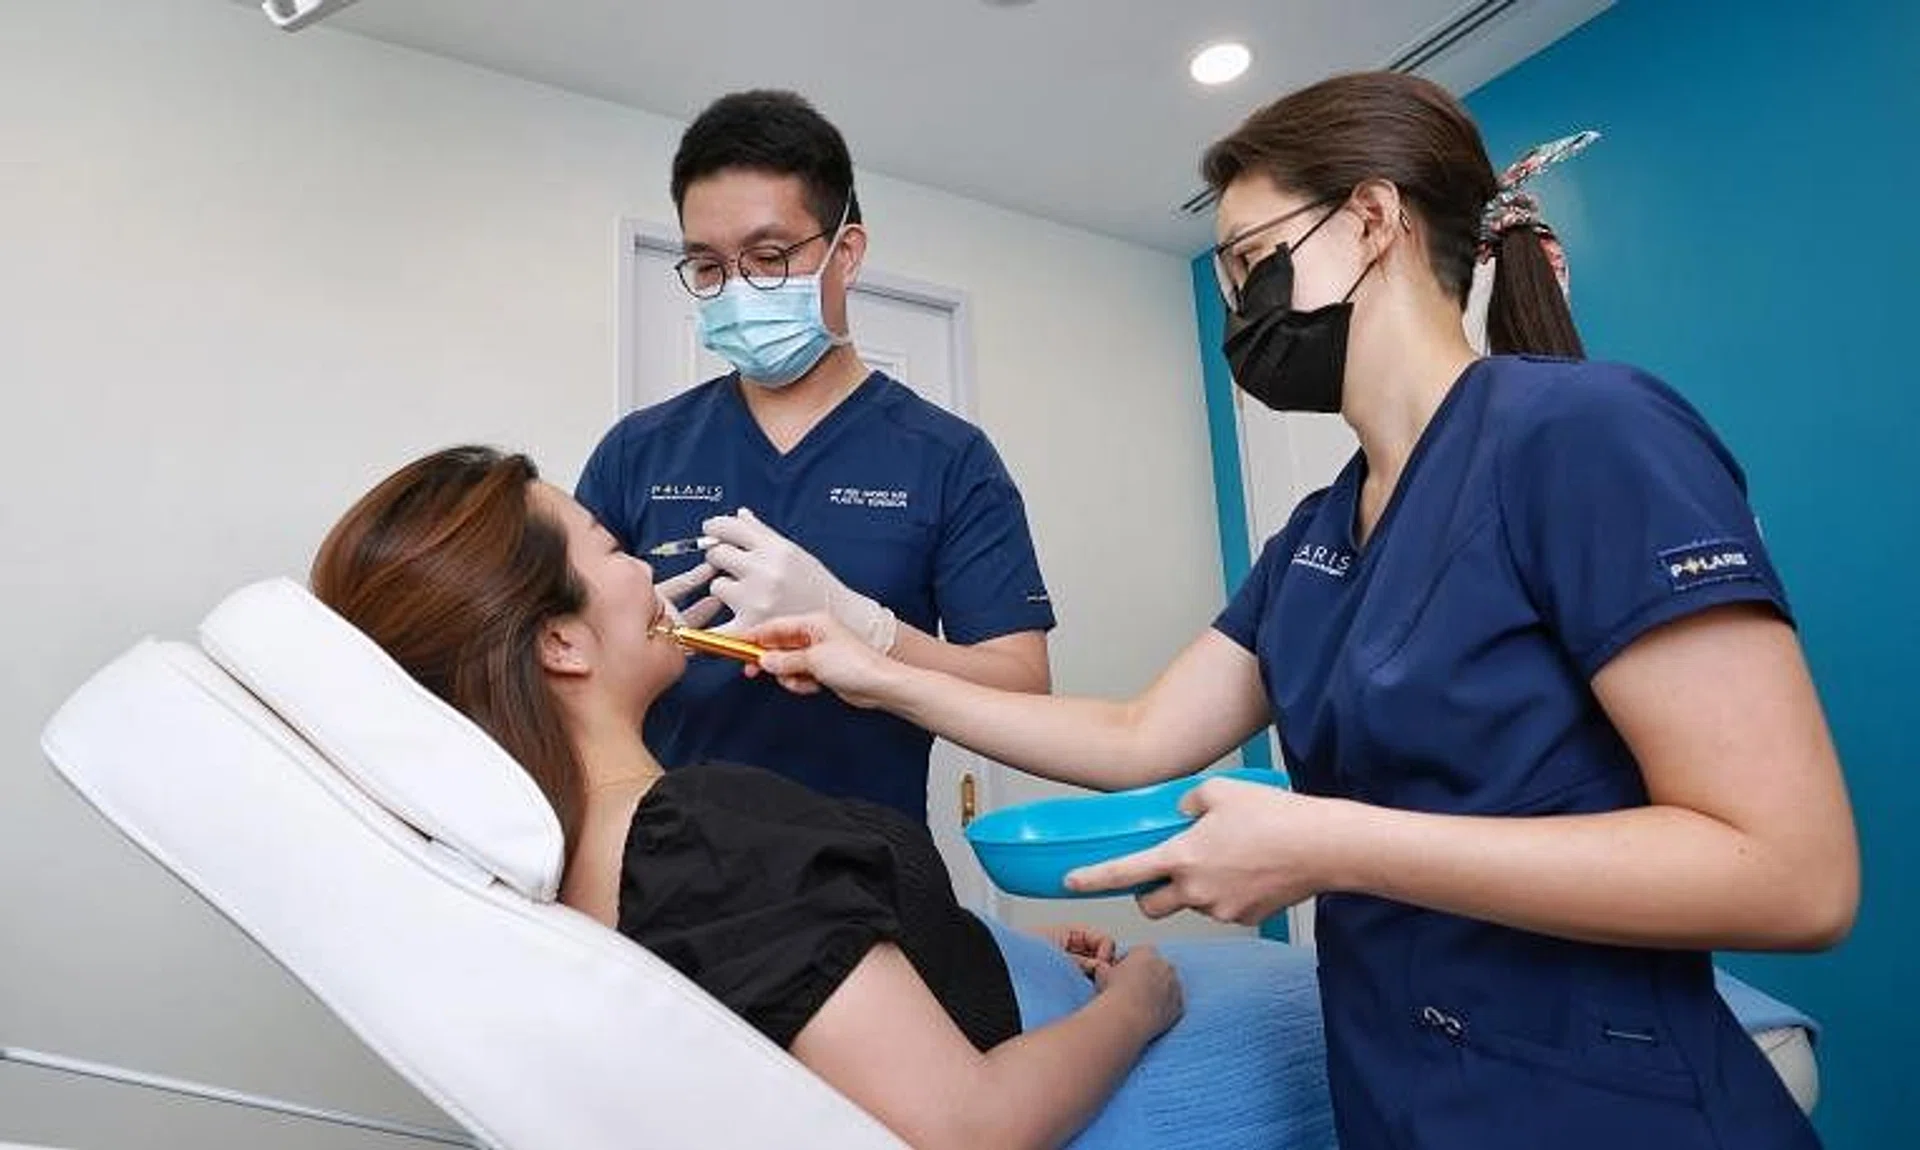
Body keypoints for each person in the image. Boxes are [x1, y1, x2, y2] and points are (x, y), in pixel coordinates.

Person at [747, 72, 1859, 1150]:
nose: (1241, 311)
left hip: (1605, 1099)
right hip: (1395, 1087)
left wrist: (1328, 844)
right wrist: (875, 668)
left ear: (1372, 219)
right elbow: (1139, 737)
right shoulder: (1320, 533)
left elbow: (1791, 872)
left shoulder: (1584, 434)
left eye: (1250, 262)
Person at [310, 445, 1335, 1150]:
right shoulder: (703, 835)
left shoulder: (582, 857)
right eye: (615, 550)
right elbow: (965, 1126)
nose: (647, 573)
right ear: (559, 640)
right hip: (1112, 1067)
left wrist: (949, 941)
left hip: (1014, 997)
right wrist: (1140, 1004)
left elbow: (803, 982)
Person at [576, 89, 1054, 820]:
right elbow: (563, 658)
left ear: (846, 252)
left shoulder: (949, 459)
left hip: (870, 871)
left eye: (768, 257)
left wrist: (867, 630)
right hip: (669, 862)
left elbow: (1022, 693)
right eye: (708, 267)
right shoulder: (638, 451)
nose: (737, 289)